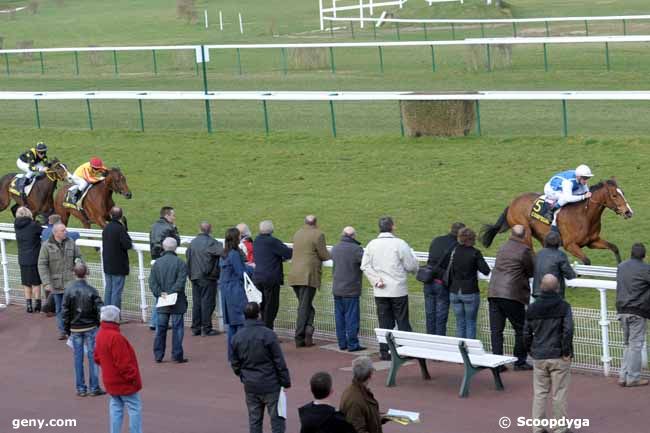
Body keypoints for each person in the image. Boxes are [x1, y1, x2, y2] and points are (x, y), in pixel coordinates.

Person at [361, 216, 418, 360]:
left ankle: (385, 351)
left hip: (380, 290)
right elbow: (410, 266)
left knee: (384, 322)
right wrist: (415, 267)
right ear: (392, 227)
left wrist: (376, 280)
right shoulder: (400, 244)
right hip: (398, 289)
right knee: (402, 321)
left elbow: (365, 266)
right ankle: (406, 350)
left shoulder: (371, 244)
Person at [524, 274, 574, 433]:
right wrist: (566, 351)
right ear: (557, 287)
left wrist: (530, 350)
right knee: (559, 393)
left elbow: (525, 333)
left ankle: (537, 428)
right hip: (559, 355)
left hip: (539, 355)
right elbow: (568, 330)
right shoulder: (564, 306)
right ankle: (560, 428)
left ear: (541, 287)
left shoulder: (532, 308)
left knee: (540, 393)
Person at [231, 302, 291, 433]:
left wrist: (243, 376)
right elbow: (279, 361)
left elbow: (235, 363)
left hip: (251, 385)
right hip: (271, 384)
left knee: (254, 421)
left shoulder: (237, 337)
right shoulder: (268, 335)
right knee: (277, 422)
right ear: (259, 315)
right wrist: (285, 382)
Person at [487, 225, 534, 371]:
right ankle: (520, 362)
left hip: (494, 292)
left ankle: (497, 364)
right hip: (512, 294)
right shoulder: (524, 250)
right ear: (524, 235)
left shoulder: (502, 247)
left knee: (496, 330)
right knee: (521, 328)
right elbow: (531, 270)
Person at [94, 305, 144, 433]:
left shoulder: (100, 334)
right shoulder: (116, 337)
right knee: (134, 408)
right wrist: (133, 379)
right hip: (123, 381)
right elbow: (124, 364)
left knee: (116, 407)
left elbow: (96, 357)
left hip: (110, 381)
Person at [62, 263, 105, 397]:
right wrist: (98, 324)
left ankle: (81, 388)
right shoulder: (92, 290)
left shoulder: (69, 290)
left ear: (74, 273)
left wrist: (67, 329)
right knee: (93, 358)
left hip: (75, 328)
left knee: (78, 359)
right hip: (90, 327)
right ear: (86, 273)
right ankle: (94, 387)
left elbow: (65, 311)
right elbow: (100, 309)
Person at [287, 215, 330, 348]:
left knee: (306, 306)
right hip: (308, 276)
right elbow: (324, 255)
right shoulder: (318, 234)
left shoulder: (298, 233)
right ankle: (299, 337)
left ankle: (308, 331)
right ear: (316, 223)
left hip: (295, 275)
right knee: (304, 307)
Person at [38, 222, 83, 340]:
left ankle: (72, 330)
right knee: (59, 308)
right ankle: (63, 330)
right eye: (63, 230)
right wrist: (46, 283)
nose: (66, 232)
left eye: (65, 230)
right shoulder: (46, 246)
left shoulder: (71, 242)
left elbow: (78, 256)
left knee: (72, 307)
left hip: (71, 282)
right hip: (56, 283)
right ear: (56, 233)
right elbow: (42, 265)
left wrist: (79, 264)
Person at [445, 227, 490, 339]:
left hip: (454, 291)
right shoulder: (475, 253)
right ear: (472, 239)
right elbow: (486, 270)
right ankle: (469, 352)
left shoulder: (454, 251)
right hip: (470, 291)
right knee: (470, 323)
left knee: (460, 323)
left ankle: (461, 350)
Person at [149, 237, 189, 363]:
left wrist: (161, 293)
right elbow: (181, 282)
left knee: (161, 328)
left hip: (163, 300)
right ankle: (177, 355)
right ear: (175, 247)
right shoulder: (180, 263)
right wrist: (171, 293)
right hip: (177, 300)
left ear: (163, 247)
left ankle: (158, 355)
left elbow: (152, 282)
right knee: (177, 328)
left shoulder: (157, 263)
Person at [615, 243, 650, 387]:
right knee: (635, 345)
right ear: (644, 255)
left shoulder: (621, 266)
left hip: (622, 309)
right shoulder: (645, 269)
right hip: (637, 311)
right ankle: (633, 378)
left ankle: (623, 376)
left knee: (628, 345)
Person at [423, 222, 465, 336]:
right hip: (441, 283)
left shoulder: (437, 240)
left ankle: (430, 343)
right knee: (441, 317)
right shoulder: (458, 246)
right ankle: (439, 345)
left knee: (430, 314)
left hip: (428, 280)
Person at [220, 227, 254, 360]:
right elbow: (241, 273)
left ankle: (232, 355)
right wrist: (251, 268)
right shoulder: (233, 253)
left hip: (226, 290)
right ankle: (242, 355)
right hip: (235, 290)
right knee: (240, 323)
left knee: (232, 325)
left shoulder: (224, 253)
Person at [252, 220, 292, 330]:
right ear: (272, 230)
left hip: (258, 277)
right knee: (271, 307)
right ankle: (267, 333)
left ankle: (262, 330)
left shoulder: (256, 241)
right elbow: (288, 253)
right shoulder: (272, 242)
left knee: (262, 306)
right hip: (270, 279)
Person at [331, 226, 365, 352]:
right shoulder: (356, 249)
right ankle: (352, 344)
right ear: (353, 235)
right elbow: (366, 263)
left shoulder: (335, 248)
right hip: (351, 289)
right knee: (351, 318)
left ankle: (342, 343)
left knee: (339, 318)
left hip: (337, 288)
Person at [186, 221, 223, 337]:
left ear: (199, 229)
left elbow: (188, 255)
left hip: (194, 276)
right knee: (207, 302)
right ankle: (206, 328)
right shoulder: (212, 242)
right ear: (210, 230)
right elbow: (222, 252)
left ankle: (196, 328)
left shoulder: (193, 242)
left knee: (197, 302)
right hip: (207, 277)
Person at [148, 206, 180, 330]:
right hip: (164, 261)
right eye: (173, 215)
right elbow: (176, 242)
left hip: (155, 261)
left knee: (159, 292)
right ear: (167, 216)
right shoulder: (169, 228)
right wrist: (176, 230)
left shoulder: (154, 225)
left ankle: (154, 321)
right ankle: (156, 322)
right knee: (164, 293)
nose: (174, 217)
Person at [339, 357, 386, 433]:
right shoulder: (355, 400)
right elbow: (358, 429)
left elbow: (365, 418)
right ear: (370, 374)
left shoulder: (356, 391)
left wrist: (381, 418)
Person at [102, 207, 133, 310]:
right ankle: (114, 317)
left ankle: (106, 315)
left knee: (109, 290)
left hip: (107, 265)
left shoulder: (106, 228)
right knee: (116, 292)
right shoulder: (120, 229)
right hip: (118, 266)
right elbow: (128, 244)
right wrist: (125, 229)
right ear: (121, 216)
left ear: (111, 215)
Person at [14, 207, 43, 313]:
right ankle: (38, 305)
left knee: (26, 283)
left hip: (22, 258)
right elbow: (42, 232)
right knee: (36, 283)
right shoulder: (34, 225)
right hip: (34, 258)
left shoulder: (16, 225)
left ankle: (29, 306)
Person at [532, 231, 576, 299]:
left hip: (538, 292)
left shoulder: (538, 254)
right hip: (554, 294)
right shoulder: (560, 255)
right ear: (559, 242)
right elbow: (570, 275)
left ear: (545, 241)